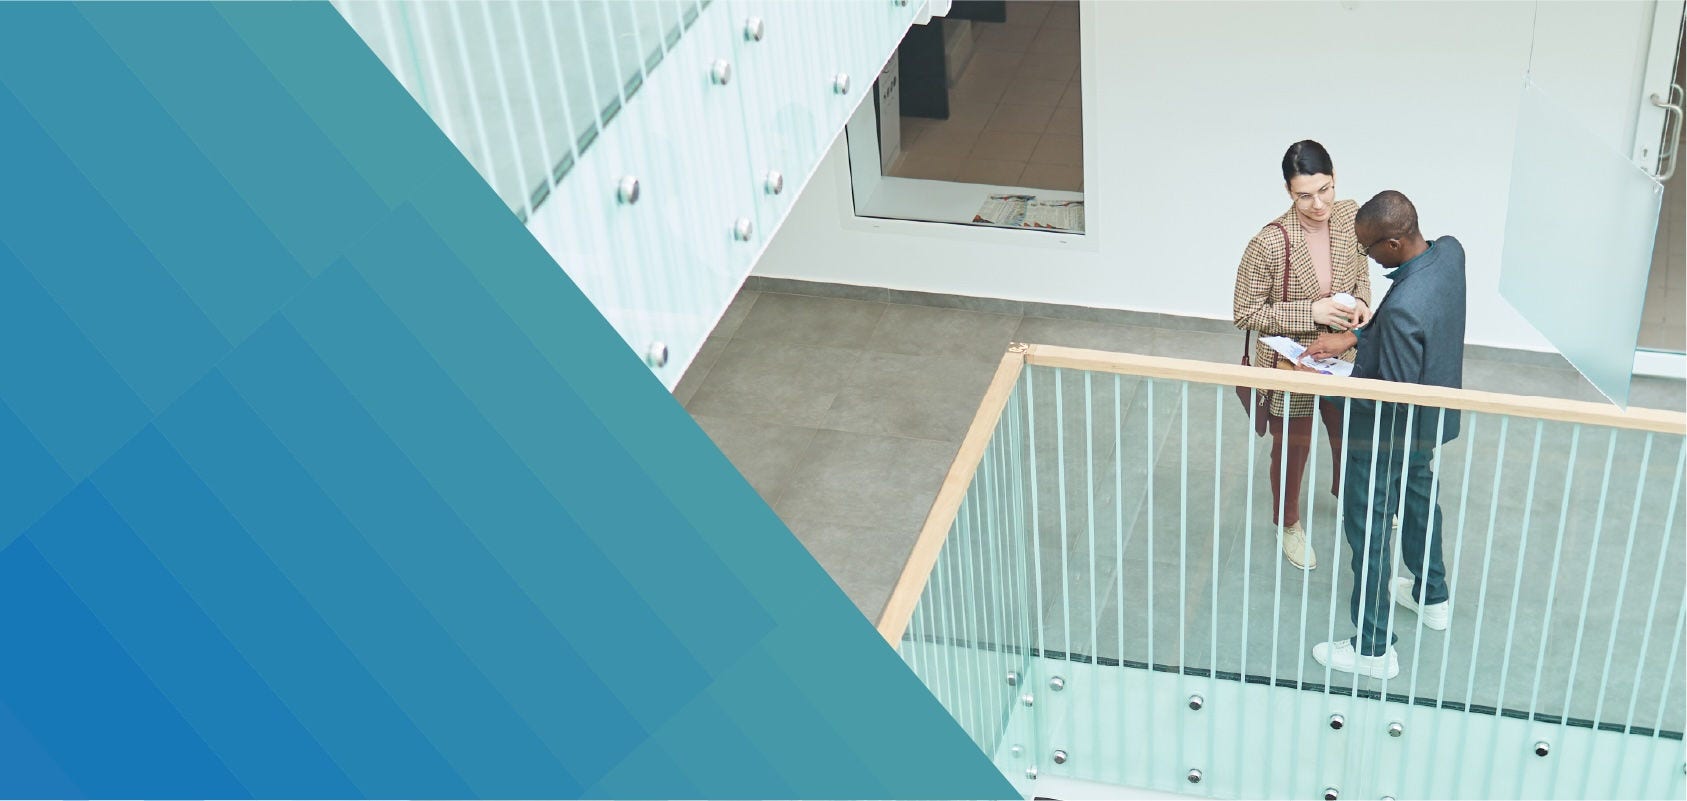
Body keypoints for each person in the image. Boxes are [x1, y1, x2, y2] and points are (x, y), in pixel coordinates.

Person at [1310, 190, 1466, 680]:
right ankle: (1431, 594)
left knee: (1371, 527)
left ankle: (1373, 647)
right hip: (1431, 420)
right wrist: (1356, 337)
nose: (1368, 258)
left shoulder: (1402, 312)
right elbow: (1415, 316)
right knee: (1421, 496)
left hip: (1384, 437)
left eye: (1370, 249)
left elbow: (1389, 394)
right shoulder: (1450, 253)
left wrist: (1333, 381)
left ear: (1395, 243)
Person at [1232, 140, 1373, 570]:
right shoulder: (1270, 242)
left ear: (1335, 179)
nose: (1318, 204)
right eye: (1304, 195)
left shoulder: (1350, 216)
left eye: (1325, 189)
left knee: (1349, 435)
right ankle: (1287, 521)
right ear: (1288, 193)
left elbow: (1362, 271)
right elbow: (1245, 312)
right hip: (1291, 362)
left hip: (1341, 357)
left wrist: (1363, 304)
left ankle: (1350, 498)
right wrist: (1309, 311)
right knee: (1293, 447)